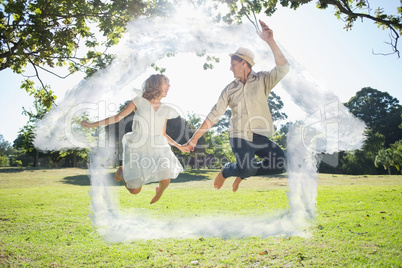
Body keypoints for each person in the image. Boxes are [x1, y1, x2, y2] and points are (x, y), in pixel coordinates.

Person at [187, 20, 289, 192]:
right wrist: (195, 138)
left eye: (233, 65)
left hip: (257, 136)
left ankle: (243, 171)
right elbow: (214, 115)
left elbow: (283, 67)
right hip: (239, 136)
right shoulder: (229, 90)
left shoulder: (263, 80)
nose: (230, 68)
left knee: (282, 163)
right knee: (247, 167)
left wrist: (270, 41)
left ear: (244, 63)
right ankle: (228, 170)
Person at [81, 74, 190, 204]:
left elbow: (163, 134)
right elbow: (117, 118)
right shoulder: (139, 101)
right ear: (156, 84)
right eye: (166, 82)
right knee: (135, 191)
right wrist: (91, 124)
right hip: (138, 146)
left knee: (166, 179)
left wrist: (180, 146)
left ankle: (158, 192)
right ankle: (122, 172)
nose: (169, 86)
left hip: (158, 146)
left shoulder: (165, 109)